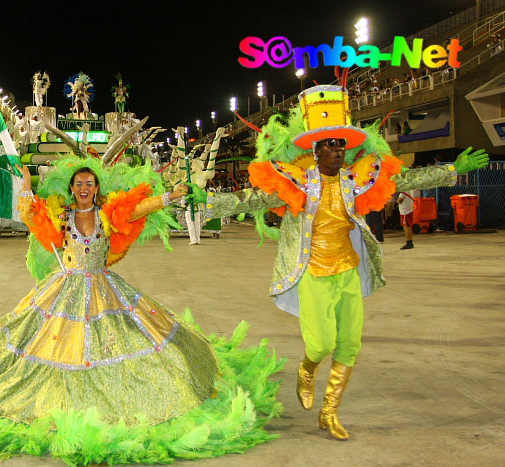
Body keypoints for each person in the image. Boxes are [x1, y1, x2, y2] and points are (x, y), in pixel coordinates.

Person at [0, 156, 285, 463]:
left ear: (97, 189)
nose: (84, 188)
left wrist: (171, 195)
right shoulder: (61, 217)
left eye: (90, 183)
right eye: (79, 184)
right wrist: (24, 186)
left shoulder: (110, 215)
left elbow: (141, 207)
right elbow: (31, 216)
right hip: (64, 292)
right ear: (72, 189)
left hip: (105, 290)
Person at [188, 84, 489, 441]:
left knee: (349, 344)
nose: (336, 150)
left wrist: (452, 170)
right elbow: (252, 199)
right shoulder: (297, 181)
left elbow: (402, 180)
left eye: (340, 143)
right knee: (320, 345)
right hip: (313, 273)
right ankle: (306, 371)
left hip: (347, 270)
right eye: (328, 144)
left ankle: (329, 412)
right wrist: (208, 200)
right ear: (315, 150)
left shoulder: (356, 180)